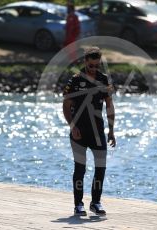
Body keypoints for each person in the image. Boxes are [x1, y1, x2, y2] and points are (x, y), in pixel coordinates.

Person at [63, 46, 116, 216]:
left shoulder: (103, 80)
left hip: (97, 132)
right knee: (80, 168)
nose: (93, 69)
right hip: (78, 131)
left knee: (101, 167)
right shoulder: (75, 80)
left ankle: (96, 202)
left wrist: (111, 130)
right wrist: (72, 126)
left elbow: (109, 105)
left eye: (96, 66)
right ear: (85, 62)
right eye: (90, 65)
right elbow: (66, 105)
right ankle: (78, 204)